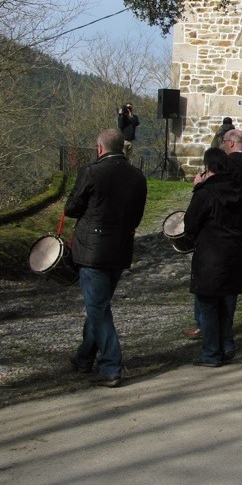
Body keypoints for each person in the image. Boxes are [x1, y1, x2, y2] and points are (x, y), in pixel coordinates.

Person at [64, 129, 148, 387]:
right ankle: (84, 357)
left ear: (100, 148)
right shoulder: (137, 177)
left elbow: (72, 208)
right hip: (120, 247)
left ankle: (111, 365)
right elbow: (137, 215)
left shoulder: (92, 172)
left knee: (98, 308)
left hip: (93, 250)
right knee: (98, 304)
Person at [183, 128, 242, 343]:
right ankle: (226, 339)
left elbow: (191, 223)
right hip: (236, 236)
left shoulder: (219, 178)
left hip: (212, 241)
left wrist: (201, 186)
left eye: (225, 141)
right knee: (229, 292)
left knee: (206, 293)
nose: (224, 144)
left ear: (232, 144)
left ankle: (208, 338)